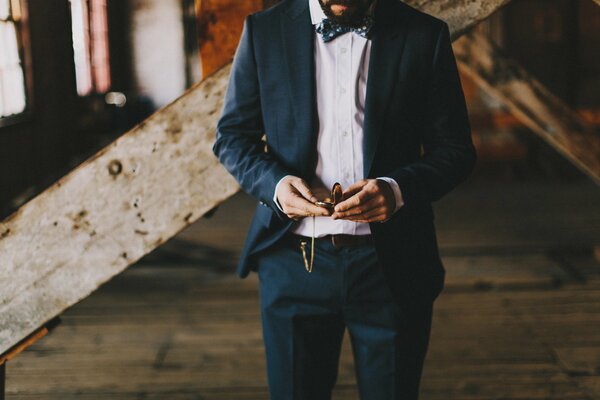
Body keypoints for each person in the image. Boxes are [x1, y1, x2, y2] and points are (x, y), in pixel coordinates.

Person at [212, 0, 476, 397]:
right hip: (293, 262)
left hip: (391, 264)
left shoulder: (425, 35)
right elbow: (232, 138)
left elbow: (455, 150)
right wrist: (276, 185)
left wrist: (397, 189)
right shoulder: (264, 32)